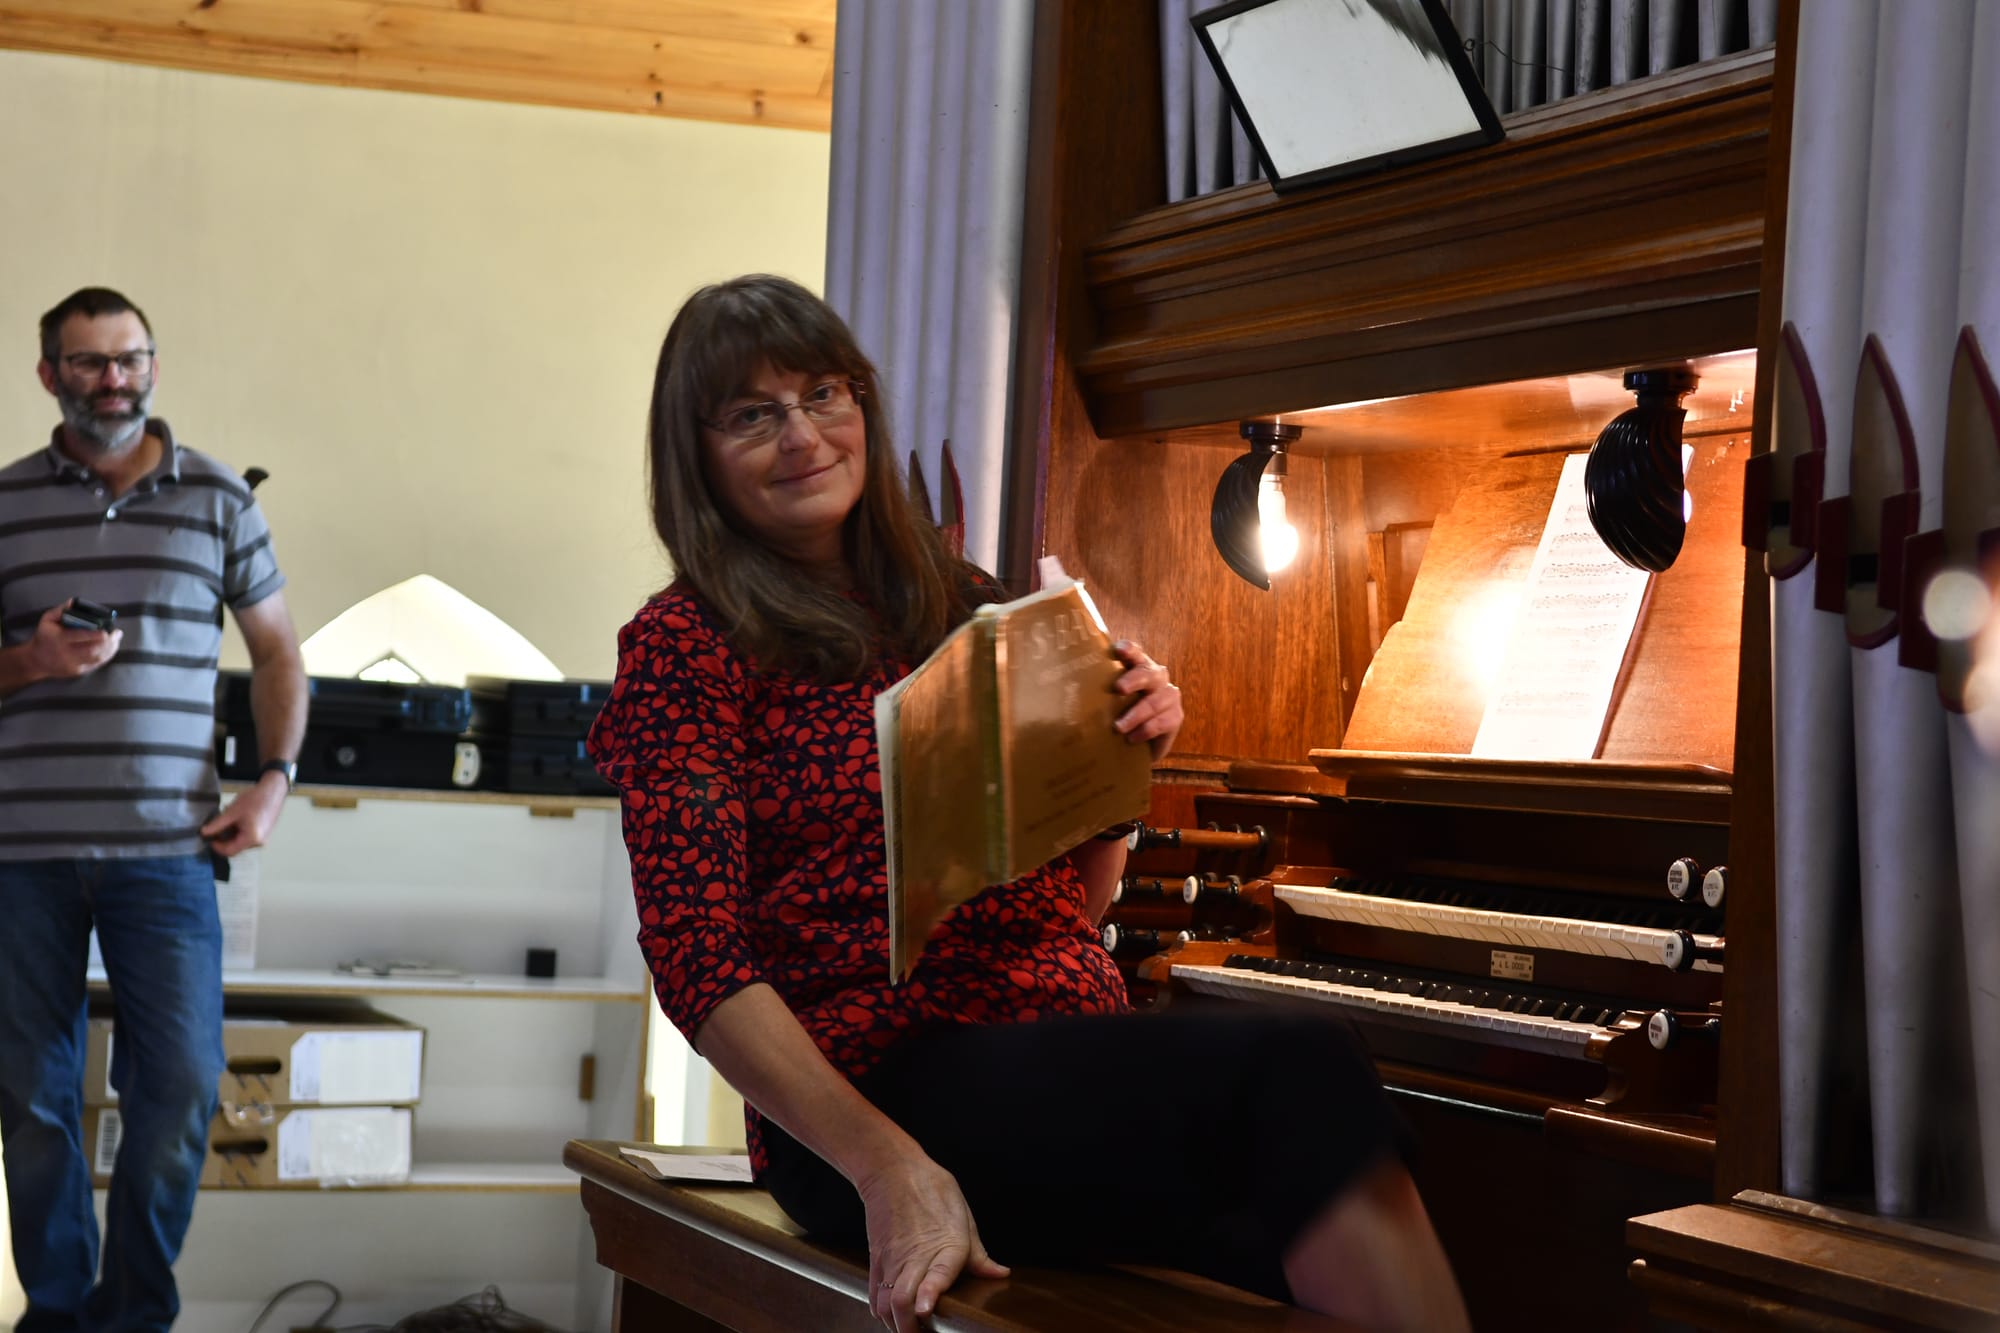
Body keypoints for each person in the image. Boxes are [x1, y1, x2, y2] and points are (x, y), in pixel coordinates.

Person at [586, 274, 1469, 1333]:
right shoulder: (686, 647)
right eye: (750, 414)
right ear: (698, 458)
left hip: (1045, 1049)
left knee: (1288, 1227)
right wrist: (890, 1171)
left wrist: (1120, 765)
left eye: (824, 394)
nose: (802, 434)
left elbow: (1067, 905)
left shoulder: (967, 605)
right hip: (869, 1093)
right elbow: (699, 963)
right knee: (1301, 1065)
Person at [0, 287, 308, 1332]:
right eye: (87, 362)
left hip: (171, 853)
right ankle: (55, 1311)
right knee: (32, 1100)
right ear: (50, 376)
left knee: (180, 1084)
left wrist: (273, 780)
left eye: (129, 357)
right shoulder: (6, 503)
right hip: (19, 852)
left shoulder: (220, 497)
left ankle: (132, 1312)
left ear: (154, 364)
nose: (113, 378)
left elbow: (277, 652)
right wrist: (33, 658)